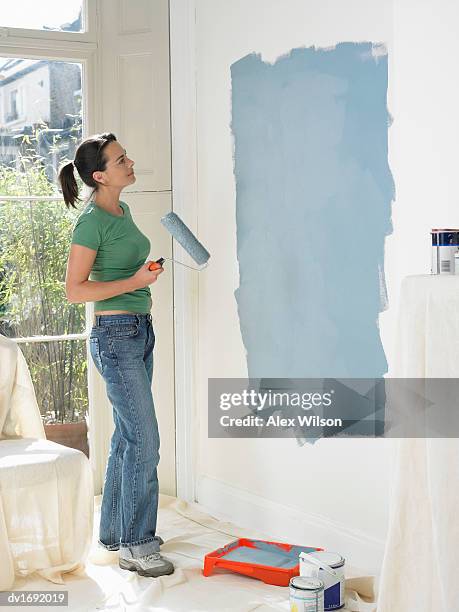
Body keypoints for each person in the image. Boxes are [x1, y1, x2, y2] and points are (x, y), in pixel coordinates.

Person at [58, 132, 174, 578]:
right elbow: (74, 291)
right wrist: (135, 283)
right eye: (120, 159)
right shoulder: (91, 222)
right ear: (100, 175)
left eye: (127, 155)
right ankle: (137, 545)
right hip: (115, 334)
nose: (130, 162)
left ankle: (115, 534)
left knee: (129, 438)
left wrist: (142, 274)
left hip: (139, 330)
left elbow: (123, 273)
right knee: (146, 440)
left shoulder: (121, 210)